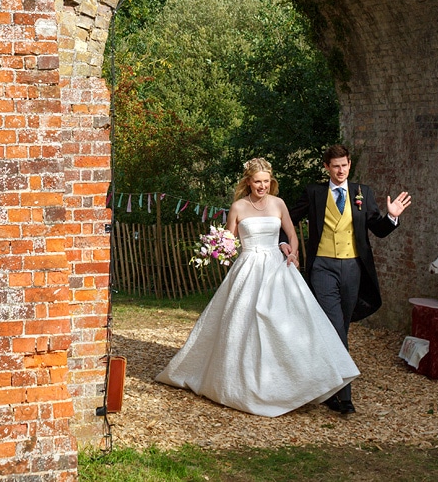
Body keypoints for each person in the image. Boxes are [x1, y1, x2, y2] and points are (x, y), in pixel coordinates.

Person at [155, 158, 359, 417]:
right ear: (248, 182)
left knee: (286, 323)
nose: (262, 186)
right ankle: (242, 384)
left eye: (265, 181)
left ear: (270, 181)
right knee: (243, 322)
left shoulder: (279, 203)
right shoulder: (238, 206)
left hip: (277, 267)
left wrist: (291, 251)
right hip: (248, 267)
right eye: (257, 181)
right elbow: (230, 239)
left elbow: (291, 233)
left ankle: (297, 382)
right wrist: (219, 247)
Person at [288, 144, 411, 415]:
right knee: (334, 325)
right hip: (323, 268)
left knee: (340, 327)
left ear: (349, 164)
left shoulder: (362, 192)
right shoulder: (315, 193)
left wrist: (391, 217)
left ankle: (328, 388)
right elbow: (288, 220)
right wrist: (283, 245)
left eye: (344, 164)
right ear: (326, 168)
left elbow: (377, 230)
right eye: (335, 166)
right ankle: (344, 396)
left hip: (353, 269)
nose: (341, 170)